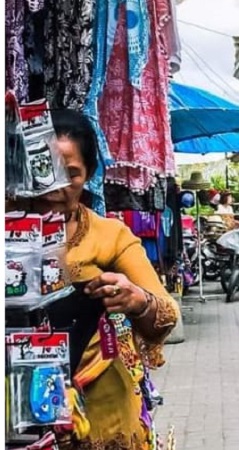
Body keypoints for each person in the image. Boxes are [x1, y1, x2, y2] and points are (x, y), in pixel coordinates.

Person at [17, 110, 180, 449]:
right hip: (15, 410)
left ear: (89, 174)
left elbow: (166, 315)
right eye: (44, 169)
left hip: (102, 412)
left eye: (70, 173)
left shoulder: (110, 236)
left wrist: (137, 301)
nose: (55, 185)